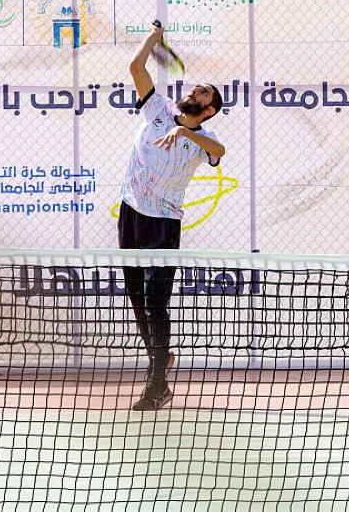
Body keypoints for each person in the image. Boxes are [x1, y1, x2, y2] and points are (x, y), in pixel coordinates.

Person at [119, 22, 226, 411]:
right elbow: (136, 67)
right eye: (195, 87)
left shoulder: (203, 142)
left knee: (155, 302)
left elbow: (219, 150)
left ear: (208, 110)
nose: (194, 90)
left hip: (162, 225)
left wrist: (185, 134)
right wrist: (153, 37)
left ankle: (158, 385)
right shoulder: (159, 109)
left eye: (203, 92)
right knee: (136, 297)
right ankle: (160, 356)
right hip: (131, 212)